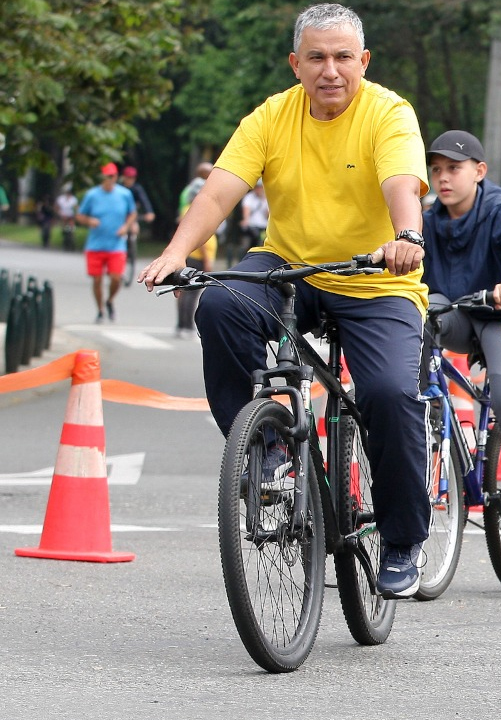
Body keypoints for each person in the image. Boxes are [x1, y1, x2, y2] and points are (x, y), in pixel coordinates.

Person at [139, 3, 433, 599]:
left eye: (343, 57)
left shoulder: (389, 113)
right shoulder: (272, 116)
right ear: (295, 63)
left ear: (364, 62)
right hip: (290, 266)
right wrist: (177, 251)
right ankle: (267, 450)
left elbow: (401, 183)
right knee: (219, 304)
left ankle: (403, 540)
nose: (331, 70)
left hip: (376, 279)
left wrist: (406, 238)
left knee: (387, 393)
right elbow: (222, 189)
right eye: (317, 58)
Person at [420, 130, 501, 557]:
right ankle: (425, 404)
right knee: (415, 313)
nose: (443, 178)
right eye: (436, 169)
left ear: (479, 172)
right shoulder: (426, 220)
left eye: (453, 169)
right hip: (459, 314)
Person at [77, 163, 137, 323]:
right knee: (97, 280)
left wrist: (126, 227)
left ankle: (110, 300)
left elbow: (132, 213)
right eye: (108, 176)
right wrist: (90, 220)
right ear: (103, 177)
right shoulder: (92, 195)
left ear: (117, 177)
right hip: (95, 245)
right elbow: (80, 215)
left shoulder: (124, 194)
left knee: (116, 278)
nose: (111, 179)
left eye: (114, 176)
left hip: (116, 244)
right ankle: (100, 309)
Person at [174, 177, 219, 339]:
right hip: (197, 256)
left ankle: (181, 325)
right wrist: (207, 259)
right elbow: (198, 235)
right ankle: (186, 325)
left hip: (190, 255)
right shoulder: (195, 209)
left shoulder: (186, 208)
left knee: (185, 291)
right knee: (191, 293)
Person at [120, 166, 155, 282]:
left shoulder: (137, 189)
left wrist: (149, 212)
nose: (130, 180)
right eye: (128, 177)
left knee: (134, 229)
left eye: (132, 178)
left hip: (132, 217)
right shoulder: (119, 189)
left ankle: (131, 247)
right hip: (120, 216)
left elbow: (144, 200)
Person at [238, 179, 270, 259]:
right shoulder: (249, 197)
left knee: (263, 242)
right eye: (257, 187)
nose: (258, 190)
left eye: (260, 188)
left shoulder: (267, 198)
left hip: (264, 226)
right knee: (249, 243)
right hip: (252, 225)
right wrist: (246, 220)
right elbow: (246, 211)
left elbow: (268, 215)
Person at [56, 185, 79, 251]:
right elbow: (57, 207)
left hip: (71, 217)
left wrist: (76, 214)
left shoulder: (73, 199)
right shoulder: (61, 199)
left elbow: (76, 208)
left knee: (71, 230)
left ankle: (72, 244)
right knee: (64, 230)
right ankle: (65, 243)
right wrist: (60, 214)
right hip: (63, 216)